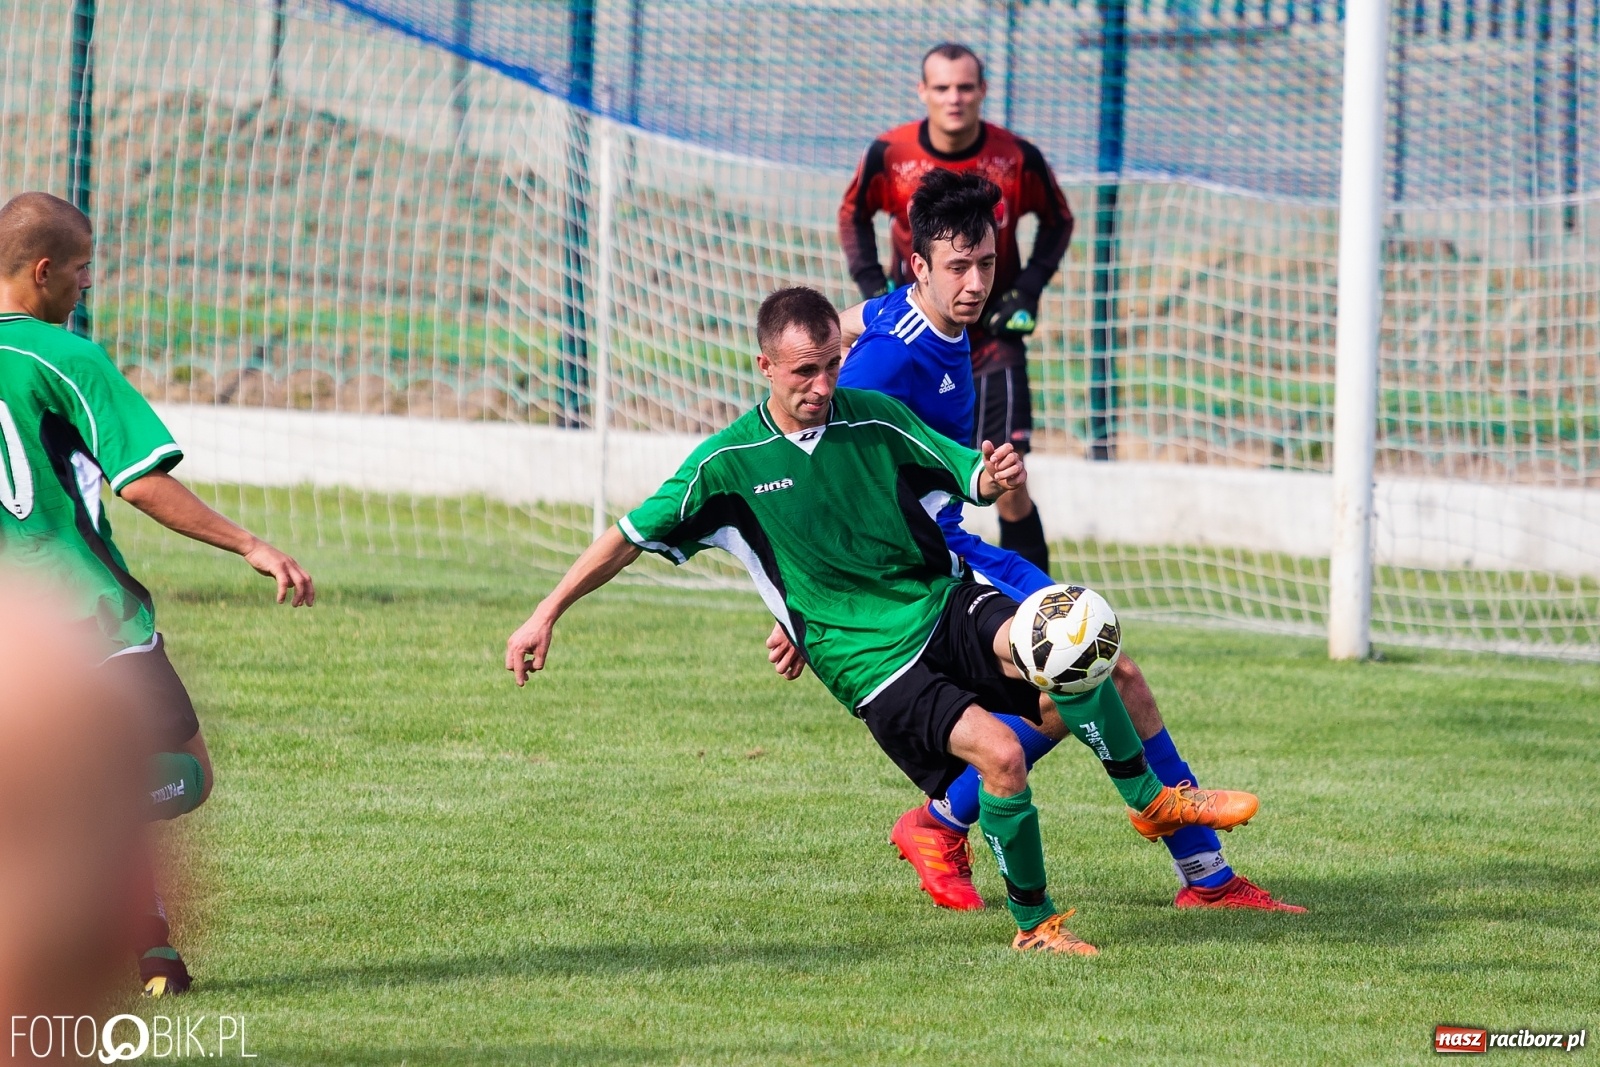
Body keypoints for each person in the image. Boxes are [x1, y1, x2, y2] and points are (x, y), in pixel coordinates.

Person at [506, 284, 1262, 954]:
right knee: (1000, 755)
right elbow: (624, 539)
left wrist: (992, 475)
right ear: (764, 365)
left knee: (1061, 647)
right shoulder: (724, 465)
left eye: (832, 365)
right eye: (805, 371)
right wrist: (546, 612)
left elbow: (959, 467)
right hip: (872, 661)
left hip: (939, 600)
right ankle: (1035, 924)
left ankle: (1153, 801)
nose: (824, 384)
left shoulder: (871, 417)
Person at [806, 170, 1304, 914]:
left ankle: (944, 821)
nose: (975, 283)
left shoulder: (914, 317)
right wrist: (803, 594)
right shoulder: (890, 360)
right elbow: (824, 467)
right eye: (957, 268)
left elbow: (849, 320)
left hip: (961, 543)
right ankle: (1201, 870)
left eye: (985, 263)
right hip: (932, 565)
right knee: (1108, 669)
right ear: (920, 266)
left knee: (1079, 688)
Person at [0, 192, 316, 996]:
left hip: (15, 637)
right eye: (79, 271)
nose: (85, 286)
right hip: (90, 619)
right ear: (42, 273)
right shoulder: (65, 357)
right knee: (181, 774)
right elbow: (140, 482)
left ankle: (153, 955)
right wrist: (250, 541)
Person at [839, 40, 1069, 574]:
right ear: (922, 91)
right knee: (906, 471)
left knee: (1009, 480)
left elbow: (1059, 220)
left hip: (991, 344)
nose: (955, 98)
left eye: (966, 87)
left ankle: (1036, 605)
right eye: (942, 87)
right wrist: (874, 289)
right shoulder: (889, 153)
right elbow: (852, 215)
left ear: (983, 91)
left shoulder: (1015, 156)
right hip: (923, 340)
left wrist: (1027, 288)